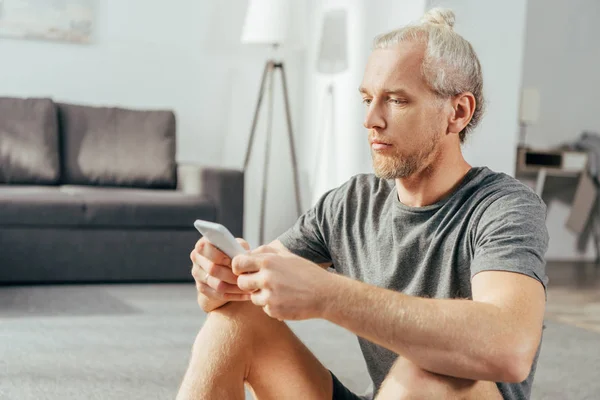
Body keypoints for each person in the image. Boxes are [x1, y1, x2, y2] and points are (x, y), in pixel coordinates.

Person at [177, 7, 548, 400]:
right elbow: (241, 291)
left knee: (430, 374)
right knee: (235, 320)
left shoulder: (505, 207)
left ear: (457, 112)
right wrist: (217, 283)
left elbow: (511, 347)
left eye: (396, 101)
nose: (371, 119)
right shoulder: (349, 204)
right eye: (368, 99)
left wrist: (328, 294)